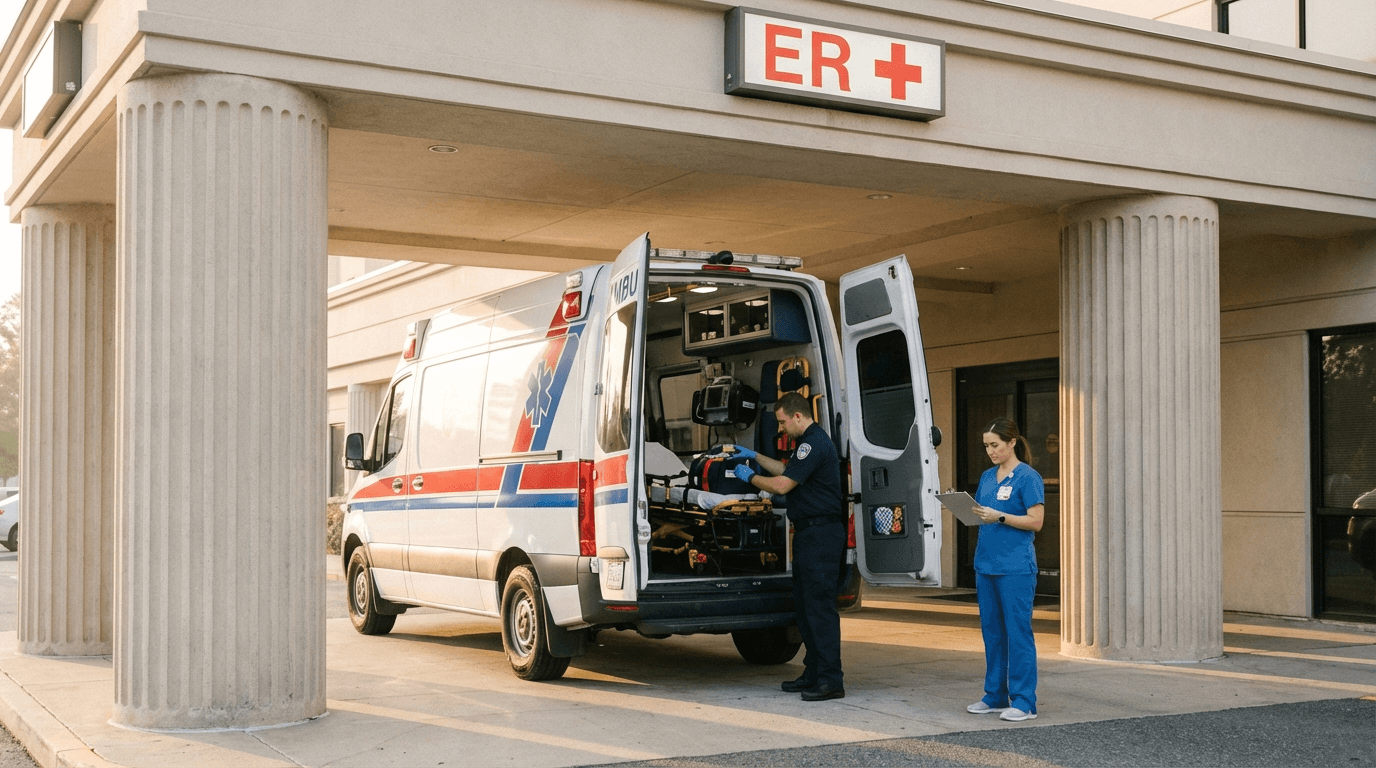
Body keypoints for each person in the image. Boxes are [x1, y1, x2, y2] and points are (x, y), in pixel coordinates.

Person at [728, 392, 845, 701]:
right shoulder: (807, 444)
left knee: (819, 610)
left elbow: (782, 485)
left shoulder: (813, 442)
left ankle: (831, 679)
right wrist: (753, 456)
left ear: (797, 416)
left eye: (782, 422)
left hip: (821, 535)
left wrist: (751, 477)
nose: (780, 429)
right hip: (810, 534)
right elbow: (785, 471)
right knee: (805, 610)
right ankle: (814, 672)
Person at [966, 417, 1044, 723]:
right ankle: (995, 695)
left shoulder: (1028, 477)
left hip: (1016, 567)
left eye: (995, 445)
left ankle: (1025, 701)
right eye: (986, 446)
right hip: (986, 564)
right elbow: (982, 514)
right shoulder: (987, 477)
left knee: (1018, 633)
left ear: (1012, 442)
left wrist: (1000, 516)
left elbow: (1036, 521)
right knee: (993, 633)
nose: (990, 451)